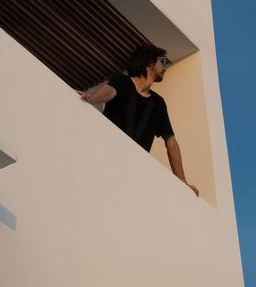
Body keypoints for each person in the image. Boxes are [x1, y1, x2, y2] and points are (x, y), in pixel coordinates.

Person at [78, 44, 199, 197]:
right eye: (162, 61)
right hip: (107, 155)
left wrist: (183, 183)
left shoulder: (158, 103)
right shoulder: (121, 81)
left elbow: (171, 143)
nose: (165, 67)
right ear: (149, 63)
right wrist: (91, 98)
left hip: (134, 171)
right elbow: (109, 92)